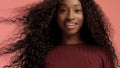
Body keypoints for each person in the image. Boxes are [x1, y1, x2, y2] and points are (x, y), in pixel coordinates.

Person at [0, 0, 119, 68]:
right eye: (63, 10)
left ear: (87, 15)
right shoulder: (40, 56)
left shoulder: (101, 55)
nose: (70, 17)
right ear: (54, 15)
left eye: (77, 10)